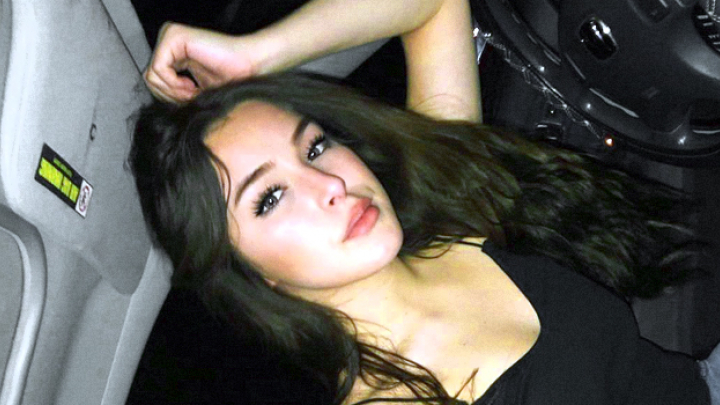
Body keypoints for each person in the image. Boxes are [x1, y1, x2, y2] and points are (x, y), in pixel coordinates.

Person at [133, 0, 720, 404]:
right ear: (250, 274)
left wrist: (254, 58)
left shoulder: (450, 225)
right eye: (270, 197)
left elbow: (434, 6)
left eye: (314, 147)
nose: (330, 184)